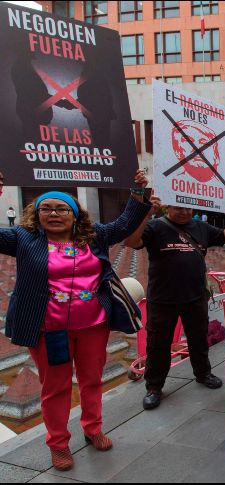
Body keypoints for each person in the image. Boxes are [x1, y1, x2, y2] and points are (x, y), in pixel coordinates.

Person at [0, 171, 153, 471]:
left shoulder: (94, 236)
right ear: (36, 214)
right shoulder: (23, 238)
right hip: (49, 330)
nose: (54, 214)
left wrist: (137, 192)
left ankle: (93, 428)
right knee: (55, 387)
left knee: (92, 380)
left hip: (93, 326)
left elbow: (124, 225)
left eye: (61, 209)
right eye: (46, 208)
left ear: (74, 215)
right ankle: (58, 444)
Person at [125, 203, 225, 410]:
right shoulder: (155, 226)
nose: (184, 212)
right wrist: (145, 215)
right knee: (158, 345)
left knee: (199, 339)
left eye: (188, 208)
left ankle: (203, 374)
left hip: (195, 297)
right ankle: (154, 387)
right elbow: (132, 241)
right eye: (179, 208)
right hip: (162, 299)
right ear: (168, 207)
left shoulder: (201, 227)